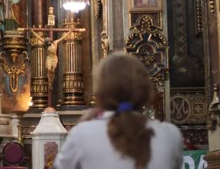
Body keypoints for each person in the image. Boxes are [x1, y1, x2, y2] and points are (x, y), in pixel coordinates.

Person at [53, 53, 183, 169]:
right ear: (146, 92)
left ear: (99, 94)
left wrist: (82, 124)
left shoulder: (82, 135)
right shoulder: (170, 135)